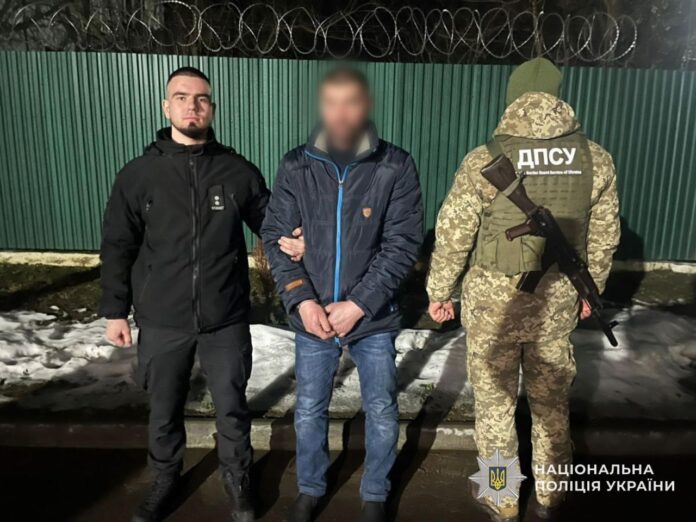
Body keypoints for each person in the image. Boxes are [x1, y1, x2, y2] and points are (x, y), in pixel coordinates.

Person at [99, 66, 305, 522]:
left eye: (201, 98)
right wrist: (115, 310)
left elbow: (270, 222)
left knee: (232, 408)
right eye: (182, 97)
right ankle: (164, 478)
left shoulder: (235, 170)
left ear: (212, 107)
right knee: (164, 409)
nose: (192, 106)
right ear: (166, 106)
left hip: (224, 316)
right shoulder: (139, 175)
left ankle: (238, 477)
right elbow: (117, 244)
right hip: (161, 318)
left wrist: (294, 237)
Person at [427, 58, 620, 522]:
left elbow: (454, 233)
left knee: (495, 408)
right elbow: (604, 236)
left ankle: (502, 495)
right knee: (551, 404)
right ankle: (551, 493)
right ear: (558, 95)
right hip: (556, 303)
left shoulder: (485, 157)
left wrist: (439, 291)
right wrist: (591, 291)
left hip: (492, 307)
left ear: (513, 97)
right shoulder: (594, 159)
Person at [261, 67, 423, 522]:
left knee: (381, 408)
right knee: (309, 409)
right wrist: (303, 300)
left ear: (366, 106)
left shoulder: (395, 166)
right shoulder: (296, 165)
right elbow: (275, 237)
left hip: (372, 316)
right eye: (332, 102)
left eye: (351, 102)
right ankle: (311, 487)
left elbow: (402, 244)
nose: (341, 113)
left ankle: (375, 493)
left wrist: (358, 304)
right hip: (312, 315)